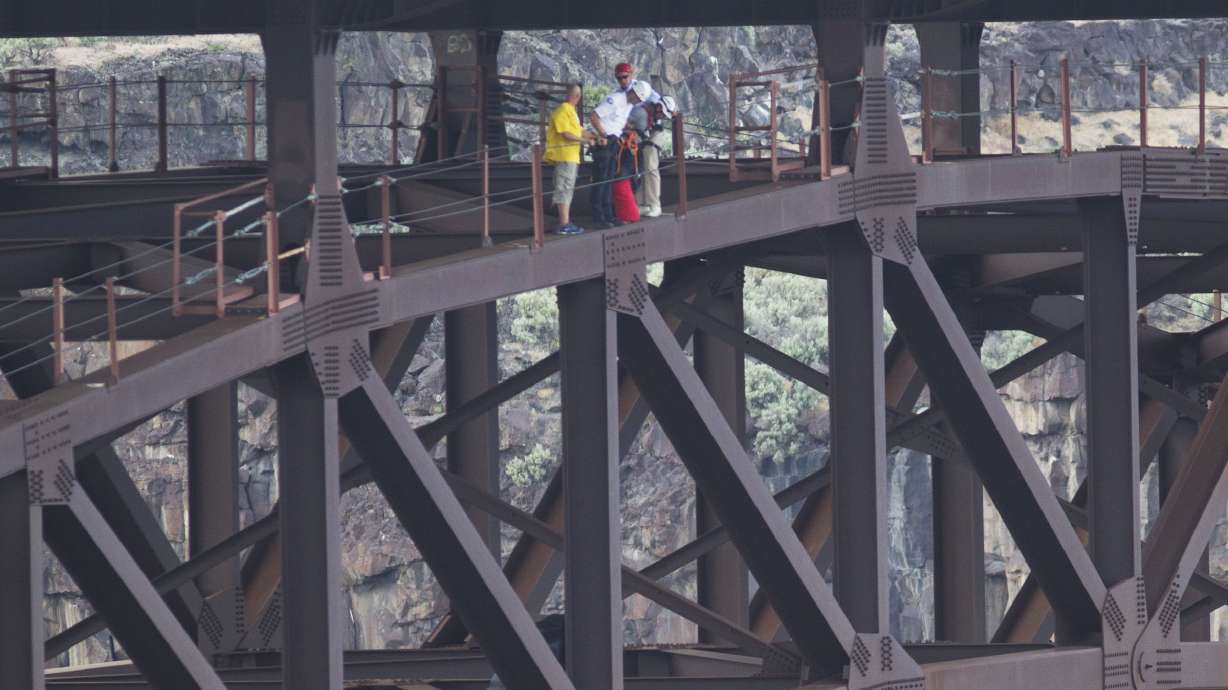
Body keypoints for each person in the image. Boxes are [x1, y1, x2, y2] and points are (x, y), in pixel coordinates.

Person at [589, 79, 649, 229]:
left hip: (615, 143)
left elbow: (618, 123)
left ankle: (608, 215)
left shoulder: (628, 105)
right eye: (638, 99)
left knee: (608, 181)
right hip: (605, 143)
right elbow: (594, 117)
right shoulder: (615, 100)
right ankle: (598, 218)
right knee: (601, 182)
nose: (637, 102)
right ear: (633, 93)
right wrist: (604, 135)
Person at [544, 83, 593, 235]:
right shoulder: (562, 111)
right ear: (576, 96)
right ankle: (564, 223)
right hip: (564, 156)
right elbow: (566, 134)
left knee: (567, 189)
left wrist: (595, 136)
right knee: (564, 188)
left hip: (571, 157)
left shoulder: (571, 111)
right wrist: (585, 141)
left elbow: (578, 130)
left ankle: (566, 222)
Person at [637, 95, 675, 218]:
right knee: (640, 170)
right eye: (663, 114)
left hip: (654, 134)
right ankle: (642, 204)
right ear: (659, 107)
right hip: (643, 134)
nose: (663, 116)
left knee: (651, 167)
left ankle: (654, 204)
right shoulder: (644, 109)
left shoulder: (652, 109)